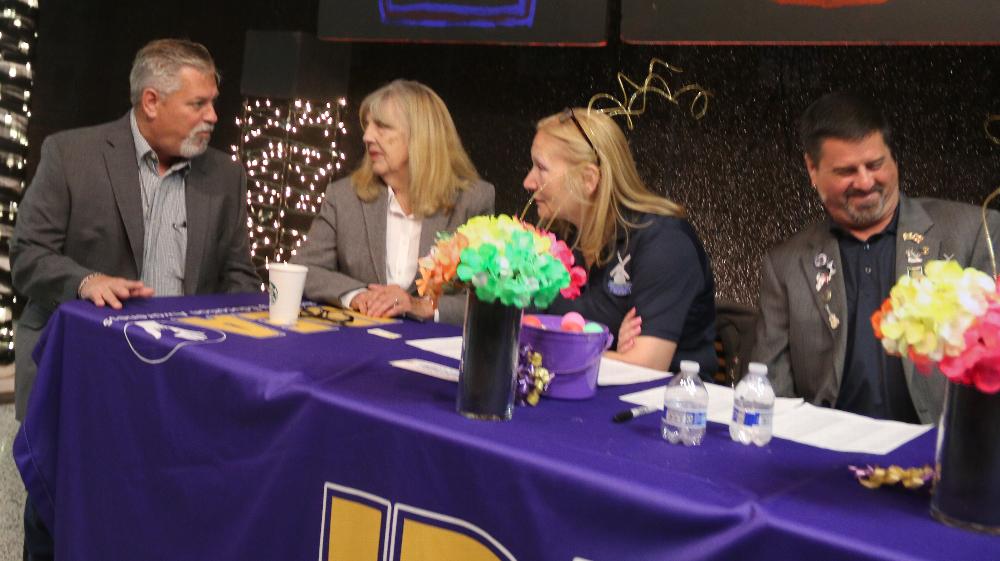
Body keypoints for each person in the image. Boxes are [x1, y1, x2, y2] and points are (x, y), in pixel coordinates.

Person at [11, 38, 260, 560]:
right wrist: (85, 282)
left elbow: (239, 277)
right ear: (151, 102)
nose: (213, 117)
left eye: (213, 103)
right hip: (81, 368)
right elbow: (28, 255)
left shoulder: (227, 177)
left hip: (178, 377)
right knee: (61, 517)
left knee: (156, 519)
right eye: (198, 104)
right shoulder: (70, 155)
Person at [752, 92, 1000, 424]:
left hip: (936, 441)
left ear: (893, 158)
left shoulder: (974, 232)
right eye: (846, 171)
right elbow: (768, 385)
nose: (865, 182)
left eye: (875, 165)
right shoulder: (786, 264)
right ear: (812, 168)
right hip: (827, 441)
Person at [523, 108, 717, 375]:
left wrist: (569, 351)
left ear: (588, 179)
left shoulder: (664, 242)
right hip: (570, 390)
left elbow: (646, 365)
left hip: (665, 398)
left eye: (541, 168)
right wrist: (612, 352)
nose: (528, 181)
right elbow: (524, 333)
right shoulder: (557, 236)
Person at [294, 79, 494, 324]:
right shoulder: (344, 196)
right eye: (367, 126)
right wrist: (357, 295)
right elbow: (304, 269)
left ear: (420, 136)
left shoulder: (472, 201)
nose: (367, 136)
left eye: (382, 126)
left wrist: (422, 306)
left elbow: (488, 299)